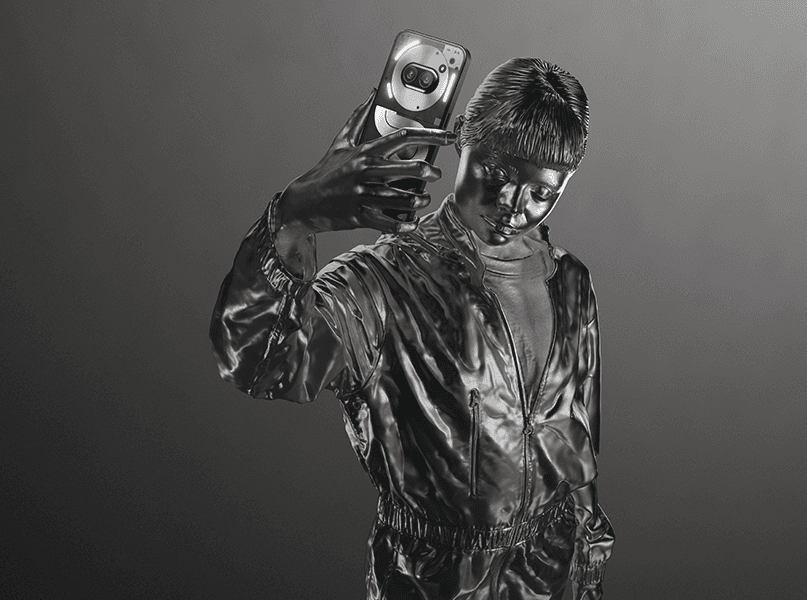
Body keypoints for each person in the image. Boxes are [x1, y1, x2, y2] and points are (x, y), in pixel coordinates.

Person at [210, 57, 614, 600]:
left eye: (541, 193)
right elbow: (264, 362)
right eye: (497, 174)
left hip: (550, 564)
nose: (513, 207)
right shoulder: (385, 282)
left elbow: (577, 422)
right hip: (432, 580)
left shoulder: (570, 282)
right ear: (461, 139)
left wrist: (588, 534)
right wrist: (294, 216)